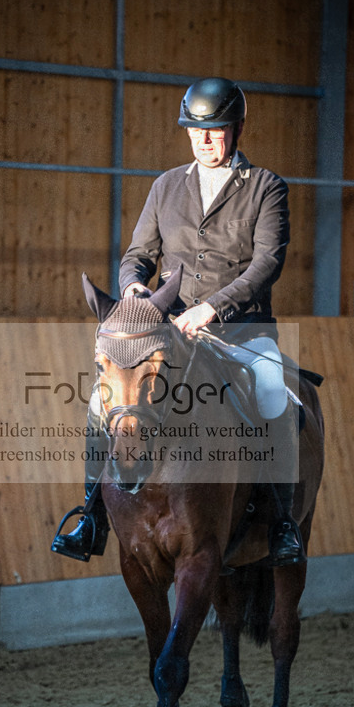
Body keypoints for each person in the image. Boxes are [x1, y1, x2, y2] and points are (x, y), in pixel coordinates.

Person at [51, 76, 305, 565]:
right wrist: (133, 289)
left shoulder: (266, 188)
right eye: (195, 131)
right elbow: (138, 254)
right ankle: (90, 517)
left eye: (214, 131)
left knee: (273, 389)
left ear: (238, 128)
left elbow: (266, 263)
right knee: (97, 404)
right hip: (169, 333)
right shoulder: (167, 185)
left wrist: (212, 308)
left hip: (240, 330)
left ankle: (281, 523)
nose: (204, 141)